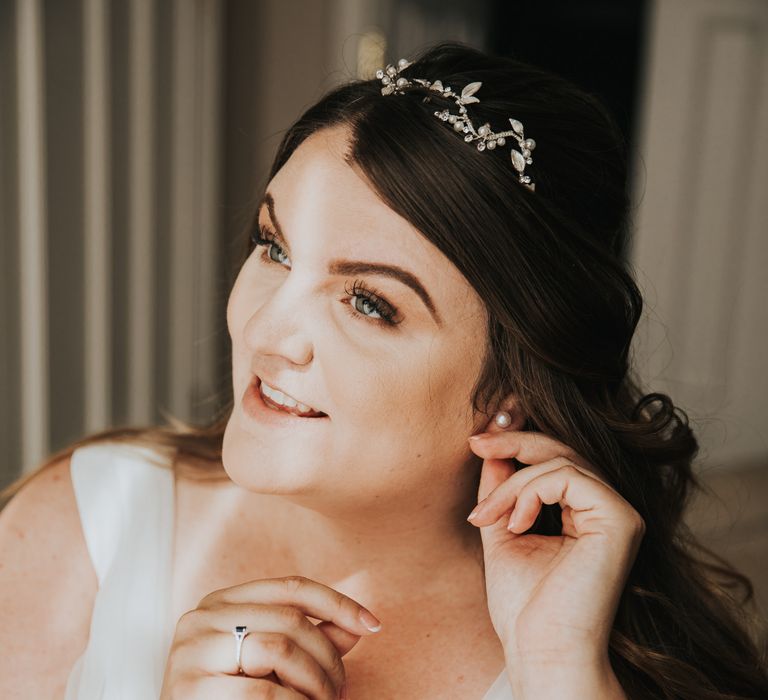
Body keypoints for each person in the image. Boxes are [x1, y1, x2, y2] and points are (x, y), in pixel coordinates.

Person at [1, 40, 766, 700]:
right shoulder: (92, 519)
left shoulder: (589, 659)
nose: (266, 330)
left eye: (367, 302)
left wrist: (562, 670)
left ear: (508, 385)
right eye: (274, 247)